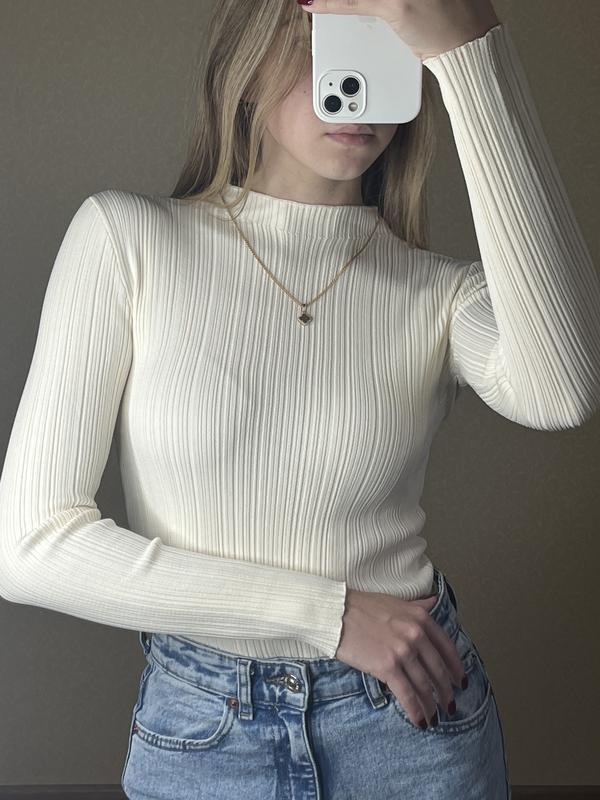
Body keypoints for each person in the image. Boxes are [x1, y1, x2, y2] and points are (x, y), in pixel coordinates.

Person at [1, 1, 599, 797]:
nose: (351, 81)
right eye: (324, 42)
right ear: (248, 66)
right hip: (204, 733)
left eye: (388, 47)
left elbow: (563, 391)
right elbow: (32, 546)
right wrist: (331, 614)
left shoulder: (439, 294)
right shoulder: (126, 239)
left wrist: (472, 51)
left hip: (412, 725)